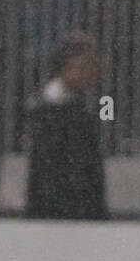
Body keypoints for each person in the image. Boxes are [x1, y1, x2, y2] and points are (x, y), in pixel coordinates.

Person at [25, 32, 107, 221]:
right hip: (63, 219)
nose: (96, 70)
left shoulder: (73, 108)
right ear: (70, 65)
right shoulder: (52, 113)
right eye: (89, 63)